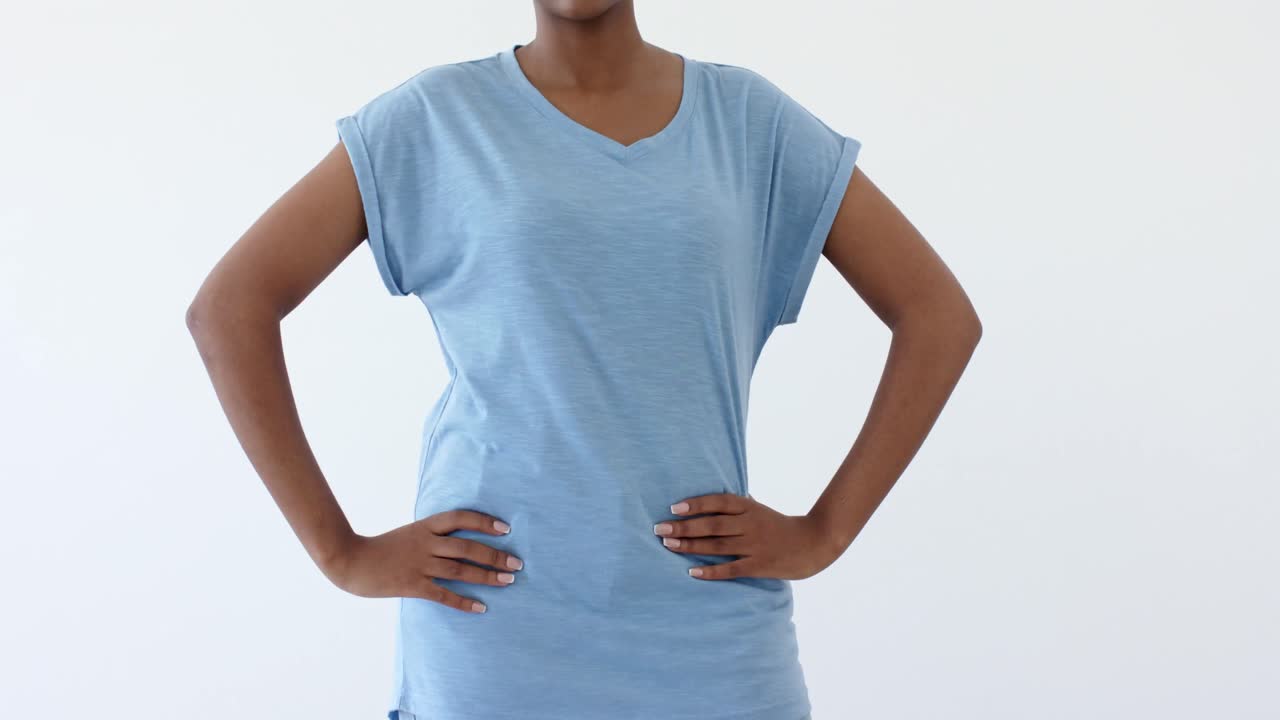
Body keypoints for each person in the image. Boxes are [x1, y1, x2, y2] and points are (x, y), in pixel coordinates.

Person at [186, 1, 982, 718]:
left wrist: (826, 531)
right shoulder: (435, 118)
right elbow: (230, 308)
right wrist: (340, 552)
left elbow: (938, 316)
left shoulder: (750, 122)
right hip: (493, 623)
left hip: (707, 627)